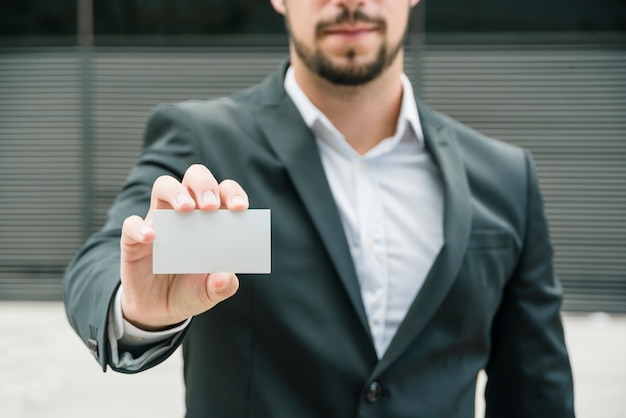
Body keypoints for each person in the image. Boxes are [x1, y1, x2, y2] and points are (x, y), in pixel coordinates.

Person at [63, 0, 575, 416]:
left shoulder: (505, 178)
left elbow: (537, 392)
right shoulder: (206, 144)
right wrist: (137, 310)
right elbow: (106, 258)